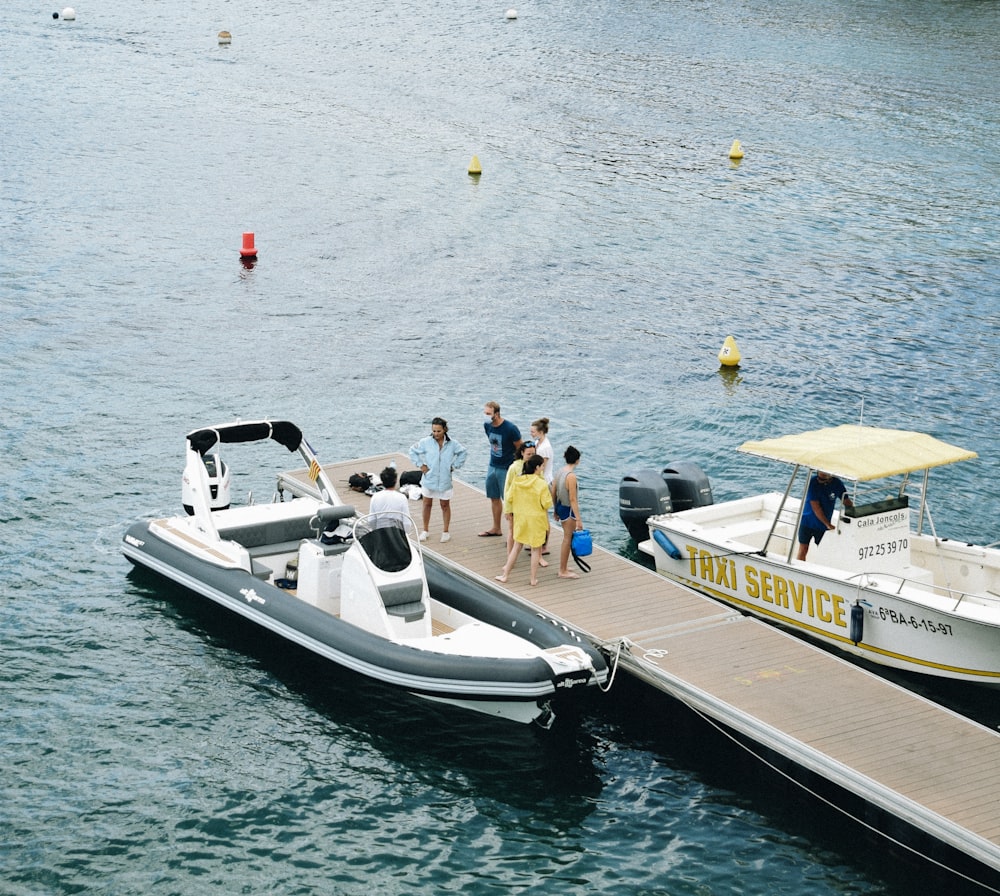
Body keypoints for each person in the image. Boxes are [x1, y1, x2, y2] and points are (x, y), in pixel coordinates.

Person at [495, 454, 553, 587]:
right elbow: (547, 504)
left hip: (521, 518)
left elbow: (509, 497)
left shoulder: (517, 480)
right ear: (537, 467)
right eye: (542, 465)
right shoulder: (541, 484)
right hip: (536, 520)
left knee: (517, 546)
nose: (544, 467)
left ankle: (505, 575)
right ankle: (533, 579)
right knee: (535, 550)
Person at [408, 417, 467, 543]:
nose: (436, 434)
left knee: (445, 505)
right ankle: (425, 530)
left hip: (445, 480)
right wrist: (421, 465)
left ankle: (446, 531)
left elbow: (463, 452)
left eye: (438, 431)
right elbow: (412, 451)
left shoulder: (453, 444)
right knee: (426, 504)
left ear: (444, 430)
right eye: (434, 431)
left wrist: (454, 466)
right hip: (429, 478)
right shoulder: (426, 442)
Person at [480, 401, 522, 537]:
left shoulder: (510, 428)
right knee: (493, 497)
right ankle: (496, 528)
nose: (486, 416)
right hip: (493, 465)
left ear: (496, 413)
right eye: (484, 413)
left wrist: (517, 468)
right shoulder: (487, 426)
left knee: (509, 501)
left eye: (488, 413)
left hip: (507, 468)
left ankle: (514, 533)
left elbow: (520, 448)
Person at [796, 470, 854, 561]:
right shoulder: (813, 482)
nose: (820, 481)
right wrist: (828, 524)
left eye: (822, 479)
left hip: (822, 526)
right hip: (807, 521)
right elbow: (816, 507)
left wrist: (854, 512)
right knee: (803, 548)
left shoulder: (837, 483)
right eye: (819, 477)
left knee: (824, 551)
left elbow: (846, 500)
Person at [552, 445, 584, 579]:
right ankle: (562, 570)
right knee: (567, 539)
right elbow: (572, 499)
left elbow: (553, 491)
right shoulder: (571, 476)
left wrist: (555, 509)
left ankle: (564, 566)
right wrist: (579, 519)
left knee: (567, 538)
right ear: (577, 460)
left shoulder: (560, 471)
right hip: (568, 509)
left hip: (560, 506)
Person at [529, 417, 554, 485]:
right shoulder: (537, 442)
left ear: (541, 432)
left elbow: (542, 468)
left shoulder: (545, 448)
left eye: (533, 432)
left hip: (545, 480)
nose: (531, 434)